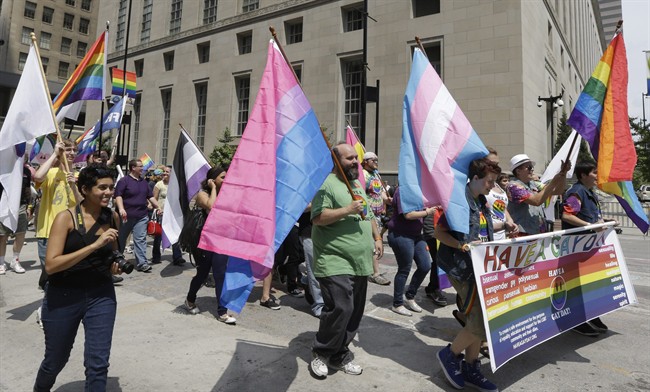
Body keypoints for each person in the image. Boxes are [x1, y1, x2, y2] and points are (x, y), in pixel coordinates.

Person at [33, 164, 124, 391]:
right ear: (84, 189)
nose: (108, 192)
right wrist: (94, 246)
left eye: (111, 187)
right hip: (63, 295)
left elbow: (114, 252)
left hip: (101, 295)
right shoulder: (66, 218)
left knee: (98, 363)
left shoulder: (112, 217)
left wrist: (115, 266)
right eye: (101, 187)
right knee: (55, 361)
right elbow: (52, 265)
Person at [309, 143, 383, 378]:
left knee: (354, 312)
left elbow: (368, 213)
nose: (355, 162)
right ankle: (321, 352)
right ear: (336, 161)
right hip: (334, 259)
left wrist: (377, 237)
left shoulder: (357, 184)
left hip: (360, 261)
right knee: (342, 307)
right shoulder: (326, 185)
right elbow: (318, 217)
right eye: (350, 158)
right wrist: (348, 209)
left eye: (356, 158)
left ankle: (340, 353)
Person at [434, 157, 500, 392]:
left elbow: (481, 232)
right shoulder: (459, 201)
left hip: (480, 267)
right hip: (461, 269)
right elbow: (438, 233)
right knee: (478, 323)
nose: (492, 186)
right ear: (474, 179)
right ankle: (450, 354)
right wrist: (460, 246)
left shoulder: (481, 201)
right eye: (489, 181)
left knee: (480, 321)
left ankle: (471, 366)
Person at [561, 160, 609, 337]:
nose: (597, 176)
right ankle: (577, 321)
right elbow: (567, 215)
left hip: (589, 246)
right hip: (576, 247)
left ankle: (592, 315)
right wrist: (590, 225)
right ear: (583, 175)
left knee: (590, 284)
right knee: (577, 286)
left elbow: (592, 216)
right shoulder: (576, 192)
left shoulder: (589, 192)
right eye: (594, 173)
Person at [183, 166, 237, 324]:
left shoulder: (227, 194)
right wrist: (213, 188)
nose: (226, 180)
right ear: (212, 179)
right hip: (206, 241)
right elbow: (211, 207)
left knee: (220, 274)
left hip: (222, 240)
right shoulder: (202, 194)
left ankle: (222, 311)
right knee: (202, 274)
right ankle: (190, 299)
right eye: (222, 177)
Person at [33, 140, 83, 288]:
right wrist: (55, 153)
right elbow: (37, 176)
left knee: (68, 273)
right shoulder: (51, 173)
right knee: (50, 272)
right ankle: (49, 305)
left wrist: (74, 187)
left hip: (71, 231)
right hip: (48, 231)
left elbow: (84, 204)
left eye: (74, 150)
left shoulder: (80, 176)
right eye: (68, 149)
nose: (72, 153)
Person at [386, 186, 433, 316]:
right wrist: (428, 212)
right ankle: (397, 304)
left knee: (425, 265)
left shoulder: (420, 189)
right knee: (404, 269)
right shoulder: (403, 190)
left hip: (417, 235)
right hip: (401, 234)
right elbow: (408, 214)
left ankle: (410, 296)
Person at [114, 159, 160, 272]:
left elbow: (150, 196)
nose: (143, 168)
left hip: (141, 216)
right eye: (140, 166)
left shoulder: (144, 182)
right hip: (126, 216)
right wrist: (121, 209)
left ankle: (142, 263)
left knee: (140, 239)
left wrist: (158, 207)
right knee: (121, 239)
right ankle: (117, 260)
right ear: (133, 168)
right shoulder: (124, 181)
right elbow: (118, 196)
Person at [507, 153, 570, 235]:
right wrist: (553, 181)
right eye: (529, 167)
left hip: (538, 232)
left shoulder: (534, 184)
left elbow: (558, 191)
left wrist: (563, 174)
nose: (532, 170)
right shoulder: (513, 186)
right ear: (518, 171)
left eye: (532, 167)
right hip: (523, 233)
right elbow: (536, 201)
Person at [361, 151, 391, 286]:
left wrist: (389, 201)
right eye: (373, 160)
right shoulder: (363, 175)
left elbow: (381, 195)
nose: (376, 163)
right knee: (374, 244)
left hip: (378, 216)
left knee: (373, 244)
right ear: (366, 161)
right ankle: (375, 273)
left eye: (377, 160)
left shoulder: (376, 175)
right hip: (367, 216)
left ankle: (370, 270)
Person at [0, 154, 33, 274]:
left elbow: (28, 190)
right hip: (3, 206)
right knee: (2, 236)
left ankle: (15, 261)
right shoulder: (3, 168)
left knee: (21, 234)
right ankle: (1, 263)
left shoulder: (26, 171)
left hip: (21, 206)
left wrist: (29, 206)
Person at [152, 165, 185, 265]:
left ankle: (177, 257)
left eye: (167, 172)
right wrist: (157, 208)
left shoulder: (175, 185)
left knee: (175, 235)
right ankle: (156, 257)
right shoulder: (159, 184)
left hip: (172, 214)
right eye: (164, 172)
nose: (165, 173)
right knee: (158, 237)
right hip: (161, 214)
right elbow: (154, 198)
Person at [422, 207, 448, 306]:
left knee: (442, 260)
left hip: (446, 228)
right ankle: (434, 288)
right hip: (433, 230)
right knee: (438, 261)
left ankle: (432, 287)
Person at [486, 172, 518, 240]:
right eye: (504, 181)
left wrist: (510, 221)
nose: (507, 183)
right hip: (489, 235)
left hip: (502, 235)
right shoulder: (485, 187)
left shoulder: (502, 190)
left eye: (508, 180)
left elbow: (504, 208)